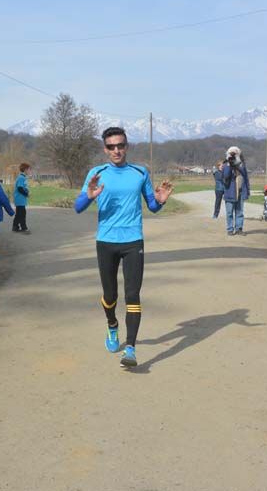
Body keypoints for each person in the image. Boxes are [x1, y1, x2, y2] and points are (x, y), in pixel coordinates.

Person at [74, 127, 173, 368]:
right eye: (111, 146)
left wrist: (160, 202)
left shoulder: (140, 172)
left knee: (132, 294)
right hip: (106, 241)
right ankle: (112, 325)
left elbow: (152, 206)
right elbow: (78, 207)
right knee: (110, 296)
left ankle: (130, 348)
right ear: (105, 149)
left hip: (133, 241)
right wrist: (89, 196)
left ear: (127, 146)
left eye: (120, 145)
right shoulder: (97, 173)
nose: (116, 150)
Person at [222, 146, 250, 236]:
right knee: (229, 212)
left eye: (235, 153)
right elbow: (226, 176)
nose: (233, 155)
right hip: (230, 192)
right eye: (231, 153)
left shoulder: (241, 165)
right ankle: (230, 229)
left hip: (241, 191)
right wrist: (229, 164)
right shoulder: (226, 165)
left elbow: (246, 177)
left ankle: (239, 229)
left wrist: (238, 164)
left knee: (240, 212)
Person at [13, 163, 31, 233]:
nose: (29, 171)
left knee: (19, 214)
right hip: (19, 199)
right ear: (25, 170)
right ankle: (24, 228)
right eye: (29, 169)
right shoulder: (21, 178)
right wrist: (26, 194)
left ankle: (15, 227)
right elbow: (20, 188)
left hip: (21, 200)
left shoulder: (22, 177)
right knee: (22, 214)